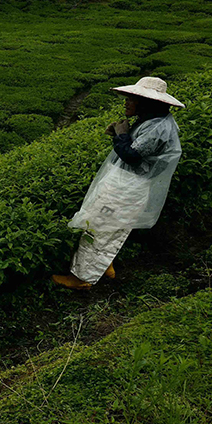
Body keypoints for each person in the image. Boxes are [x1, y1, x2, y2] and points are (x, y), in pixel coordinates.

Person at [53, 76, 184, 290]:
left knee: (98, 228)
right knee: (104, 226)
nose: (127, 102)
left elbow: (131, 155)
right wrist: (120, 134)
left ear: (149, 103)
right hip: (126, 184)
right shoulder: (154, 121)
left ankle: (82, 278)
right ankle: (104, 264)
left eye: (132, 99)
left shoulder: (157, 127)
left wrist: (122, 136)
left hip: (128, 188)